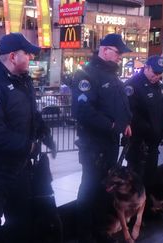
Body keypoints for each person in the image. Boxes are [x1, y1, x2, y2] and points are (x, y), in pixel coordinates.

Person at [0, 32, 56, 242]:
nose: (31, 58)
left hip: (20, 171)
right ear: (13, 57)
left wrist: (45, 134)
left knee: (20, 222)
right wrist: (29, 147)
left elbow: (31, 115)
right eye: (27, 53)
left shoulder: (23, 83)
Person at [71, 33, 132, 242]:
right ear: (104, 50)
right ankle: (84, 234)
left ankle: (99, 230)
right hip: (94, 144)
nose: (119, 57)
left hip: (110, 143)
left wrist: (126, 123)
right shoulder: (86, 75)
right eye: (117, 52)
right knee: (89, 188)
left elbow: (120, 105)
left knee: (105, 189)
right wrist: (112, 125)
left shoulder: (111, 75)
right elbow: (83, 111)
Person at [124, 55, 163, 209]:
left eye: (159, 74)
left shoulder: (158, 86)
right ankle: (134, 212)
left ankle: (146, 211)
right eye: (154, 73)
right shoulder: (133, 85)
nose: (156, 76)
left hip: (153, 143)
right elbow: (131, 115)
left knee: (150, 177)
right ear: (146, 68)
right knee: (136, 181)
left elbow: (162, 111)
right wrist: (150, 130)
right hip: (139, 143)